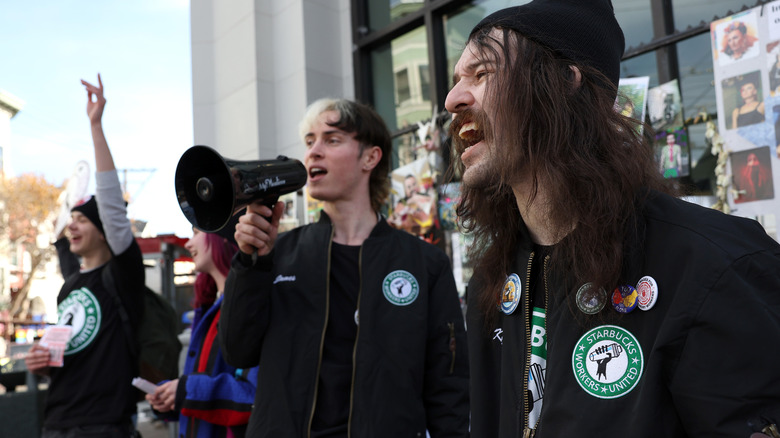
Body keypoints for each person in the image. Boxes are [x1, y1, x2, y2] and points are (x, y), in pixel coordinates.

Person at [445, 1, 780, 437]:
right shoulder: (491, 283)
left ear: (563, 82)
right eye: (456, 81)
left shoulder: (713, 264)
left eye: (482, 73)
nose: (453, 100)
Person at [218, 98, 469, 437]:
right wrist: (249, 263)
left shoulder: (424, 263)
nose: (313, 152)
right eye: (309, 142)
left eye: (331, 139)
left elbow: (448, 390)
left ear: (370, 157)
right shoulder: (278, 254)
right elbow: (237, 351)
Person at [25, 74, 145, 437]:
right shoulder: (70, 286)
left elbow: (110, 205)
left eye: (82, 221)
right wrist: (43, 363)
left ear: (105, 230)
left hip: (103, 427)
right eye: (70, 220)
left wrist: (96, 125)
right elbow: (66, 351)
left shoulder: (123, 274)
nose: (72, 227)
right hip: (56, 424)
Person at [146, 226, 258, 437]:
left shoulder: (249, 308)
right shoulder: (210, 309)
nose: (188, 244)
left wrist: (186, 390)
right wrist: (171, 396)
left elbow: (253, 398)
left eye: (196, 233)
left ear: (223, 237)